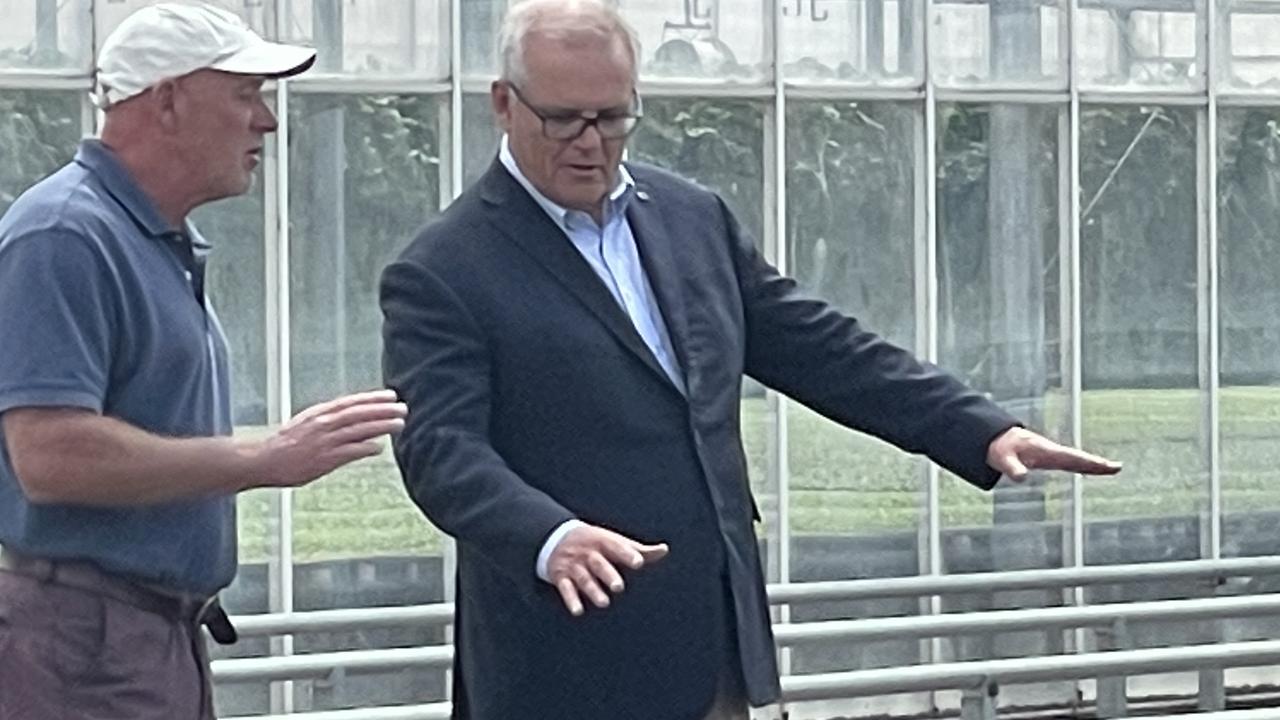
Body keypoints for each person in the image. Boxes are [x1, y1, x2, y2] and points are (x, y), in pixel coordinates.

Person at [380, 1, 1121, 718]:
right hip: (563, 666)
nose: (590, 141)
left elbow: (818, 345)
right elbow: (441, 450)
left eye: (612, 117)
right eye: (563, 118)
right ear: (503, 104)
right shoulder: (445, 269)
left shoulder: (688, 218)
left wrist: (980, 429)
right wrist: (549, 537)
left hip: (712, 650)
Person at [0, 4, 407, 720]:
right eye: (245, 95)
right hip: (84, 649)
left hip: (139, 639)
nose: (267, 123)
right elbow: (50, 455)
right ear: (166, 101)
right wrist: (263, 457)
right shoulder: (64, 235)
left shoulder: (143, 238)